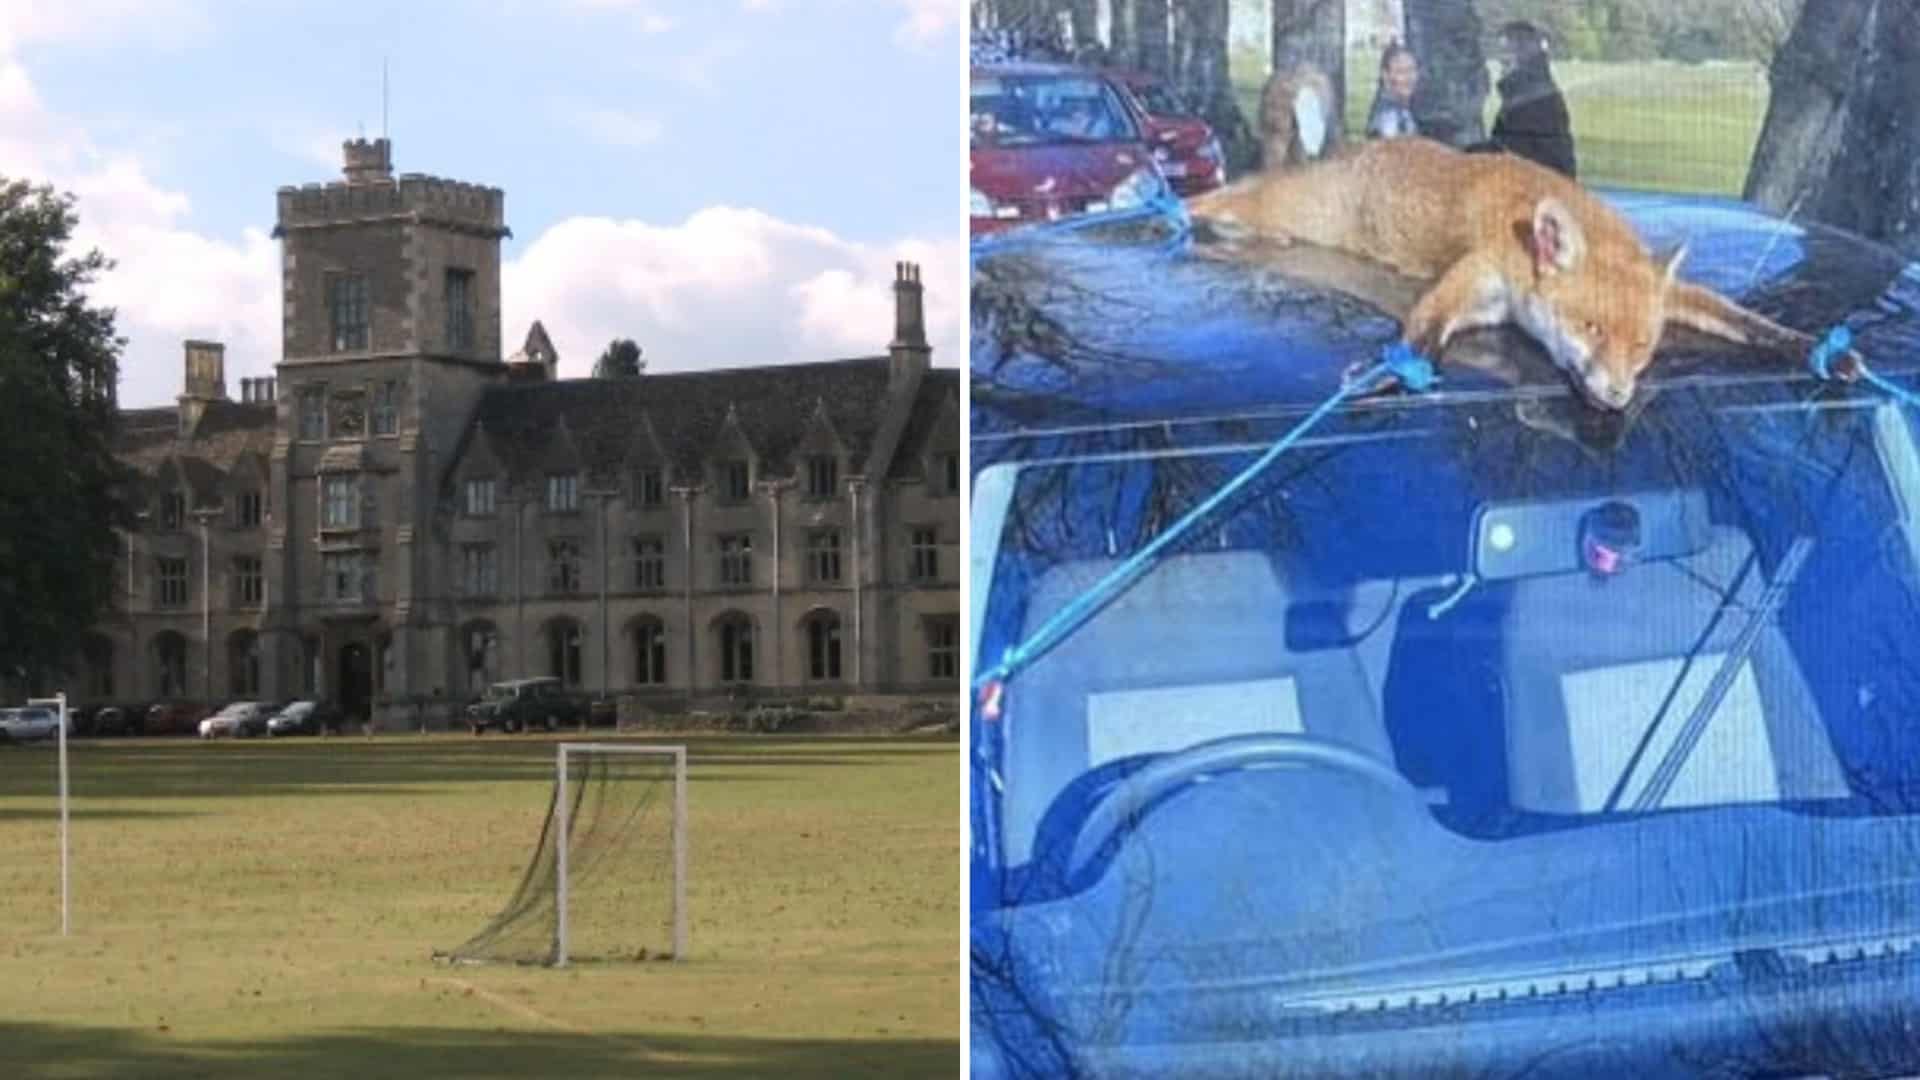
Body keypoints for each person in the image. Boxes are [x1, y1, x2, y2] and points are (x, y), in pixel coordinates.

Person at [1480, 20, 1577, 178]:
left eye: (1506, 60)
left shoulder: (1531, 102)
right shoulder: (1527, 94)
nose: (1501, 63)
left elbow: (1509, 155)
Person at [1365, 43, 1421, 140]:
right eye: (1401, 72)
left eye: (1412, 70)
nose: (1409, 78)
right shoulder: (1388, 116)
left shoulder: (1404, 110)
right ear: (1386, 75)